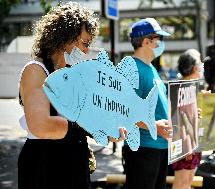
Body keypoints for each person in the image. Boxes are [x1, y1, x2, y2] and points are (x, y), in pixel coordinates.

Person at [18, 2, 126, 189]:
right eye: (84, 43)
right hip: (45, 167)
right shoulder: (36, 70)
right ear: (64, 36)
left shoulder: (74, 74)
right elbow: (41, 126)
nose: (86, 51)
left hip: (75, 166)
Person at [122, 18, 173, 189]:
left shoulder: (150, 68)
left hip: (158, 148)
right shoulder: (133, 69)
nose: (161, 43)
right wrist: (154, 126)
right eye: (159, 38)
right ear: (146, 41)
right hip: (142, 150)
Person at [171, 49, 203, 189]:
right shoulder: (181, 87)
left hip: (191, 142)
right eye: (200, 64)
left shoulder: (190, 86)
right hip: (185, 144)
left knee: (188, 180)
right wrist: (187, 148)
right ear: (195, 67)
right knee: (182, 181)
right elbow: (177, 119)